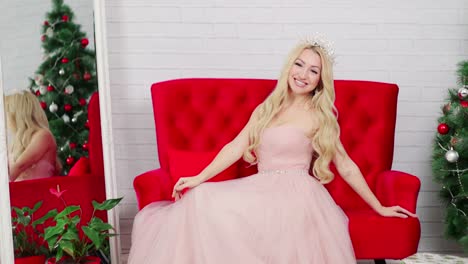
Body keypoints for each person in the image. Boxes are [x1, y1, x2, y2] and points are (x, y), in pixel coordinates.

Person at [128, 38, 418, 264]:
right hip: (260, 187)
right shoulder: (268, 108)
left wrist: (378, 206)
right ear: (289, 66)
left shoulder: (320, 115)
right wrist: (197, 178)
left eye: (313, 70)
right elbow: (235, 146)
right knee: (201, 197)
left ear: (320, 80)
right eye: (299, 65)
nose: (303, 74)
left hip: (296, 195)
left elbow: (345, 164)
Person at [5, 90, 61, 182]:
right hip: (21, 193)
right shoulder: (18, 141)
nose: (5, 119)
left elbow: (20, 166)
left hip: (37, 194)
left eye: (6, 113)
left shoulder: (43, 135)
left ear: (16, 114)